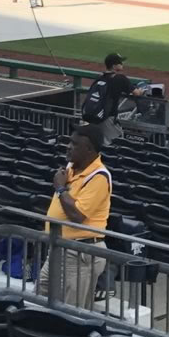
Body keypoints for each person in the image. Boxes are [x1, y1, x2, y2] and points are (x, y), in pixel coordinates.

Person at [43, 126, 112, 307]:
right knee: (39, 296)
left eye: (74, 144)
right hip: (58, 248)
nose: (68, 147)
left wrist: (60, 187)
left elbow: (77, 215)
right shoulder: (71, 168)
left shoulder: (99, 177)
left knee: (70, 311)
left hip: (80, 253)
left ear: (89, 150)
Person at [83, 53, 147, 147]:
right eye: (120, 63)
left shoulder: (100, 78)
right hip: (107, 119)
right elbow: (136, 93)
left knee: (97, 145)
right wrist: (142, 90)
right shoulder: (120, 79)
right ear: (114, 66)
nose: (122, 64)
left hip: (93, 117)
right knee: (115, 146)